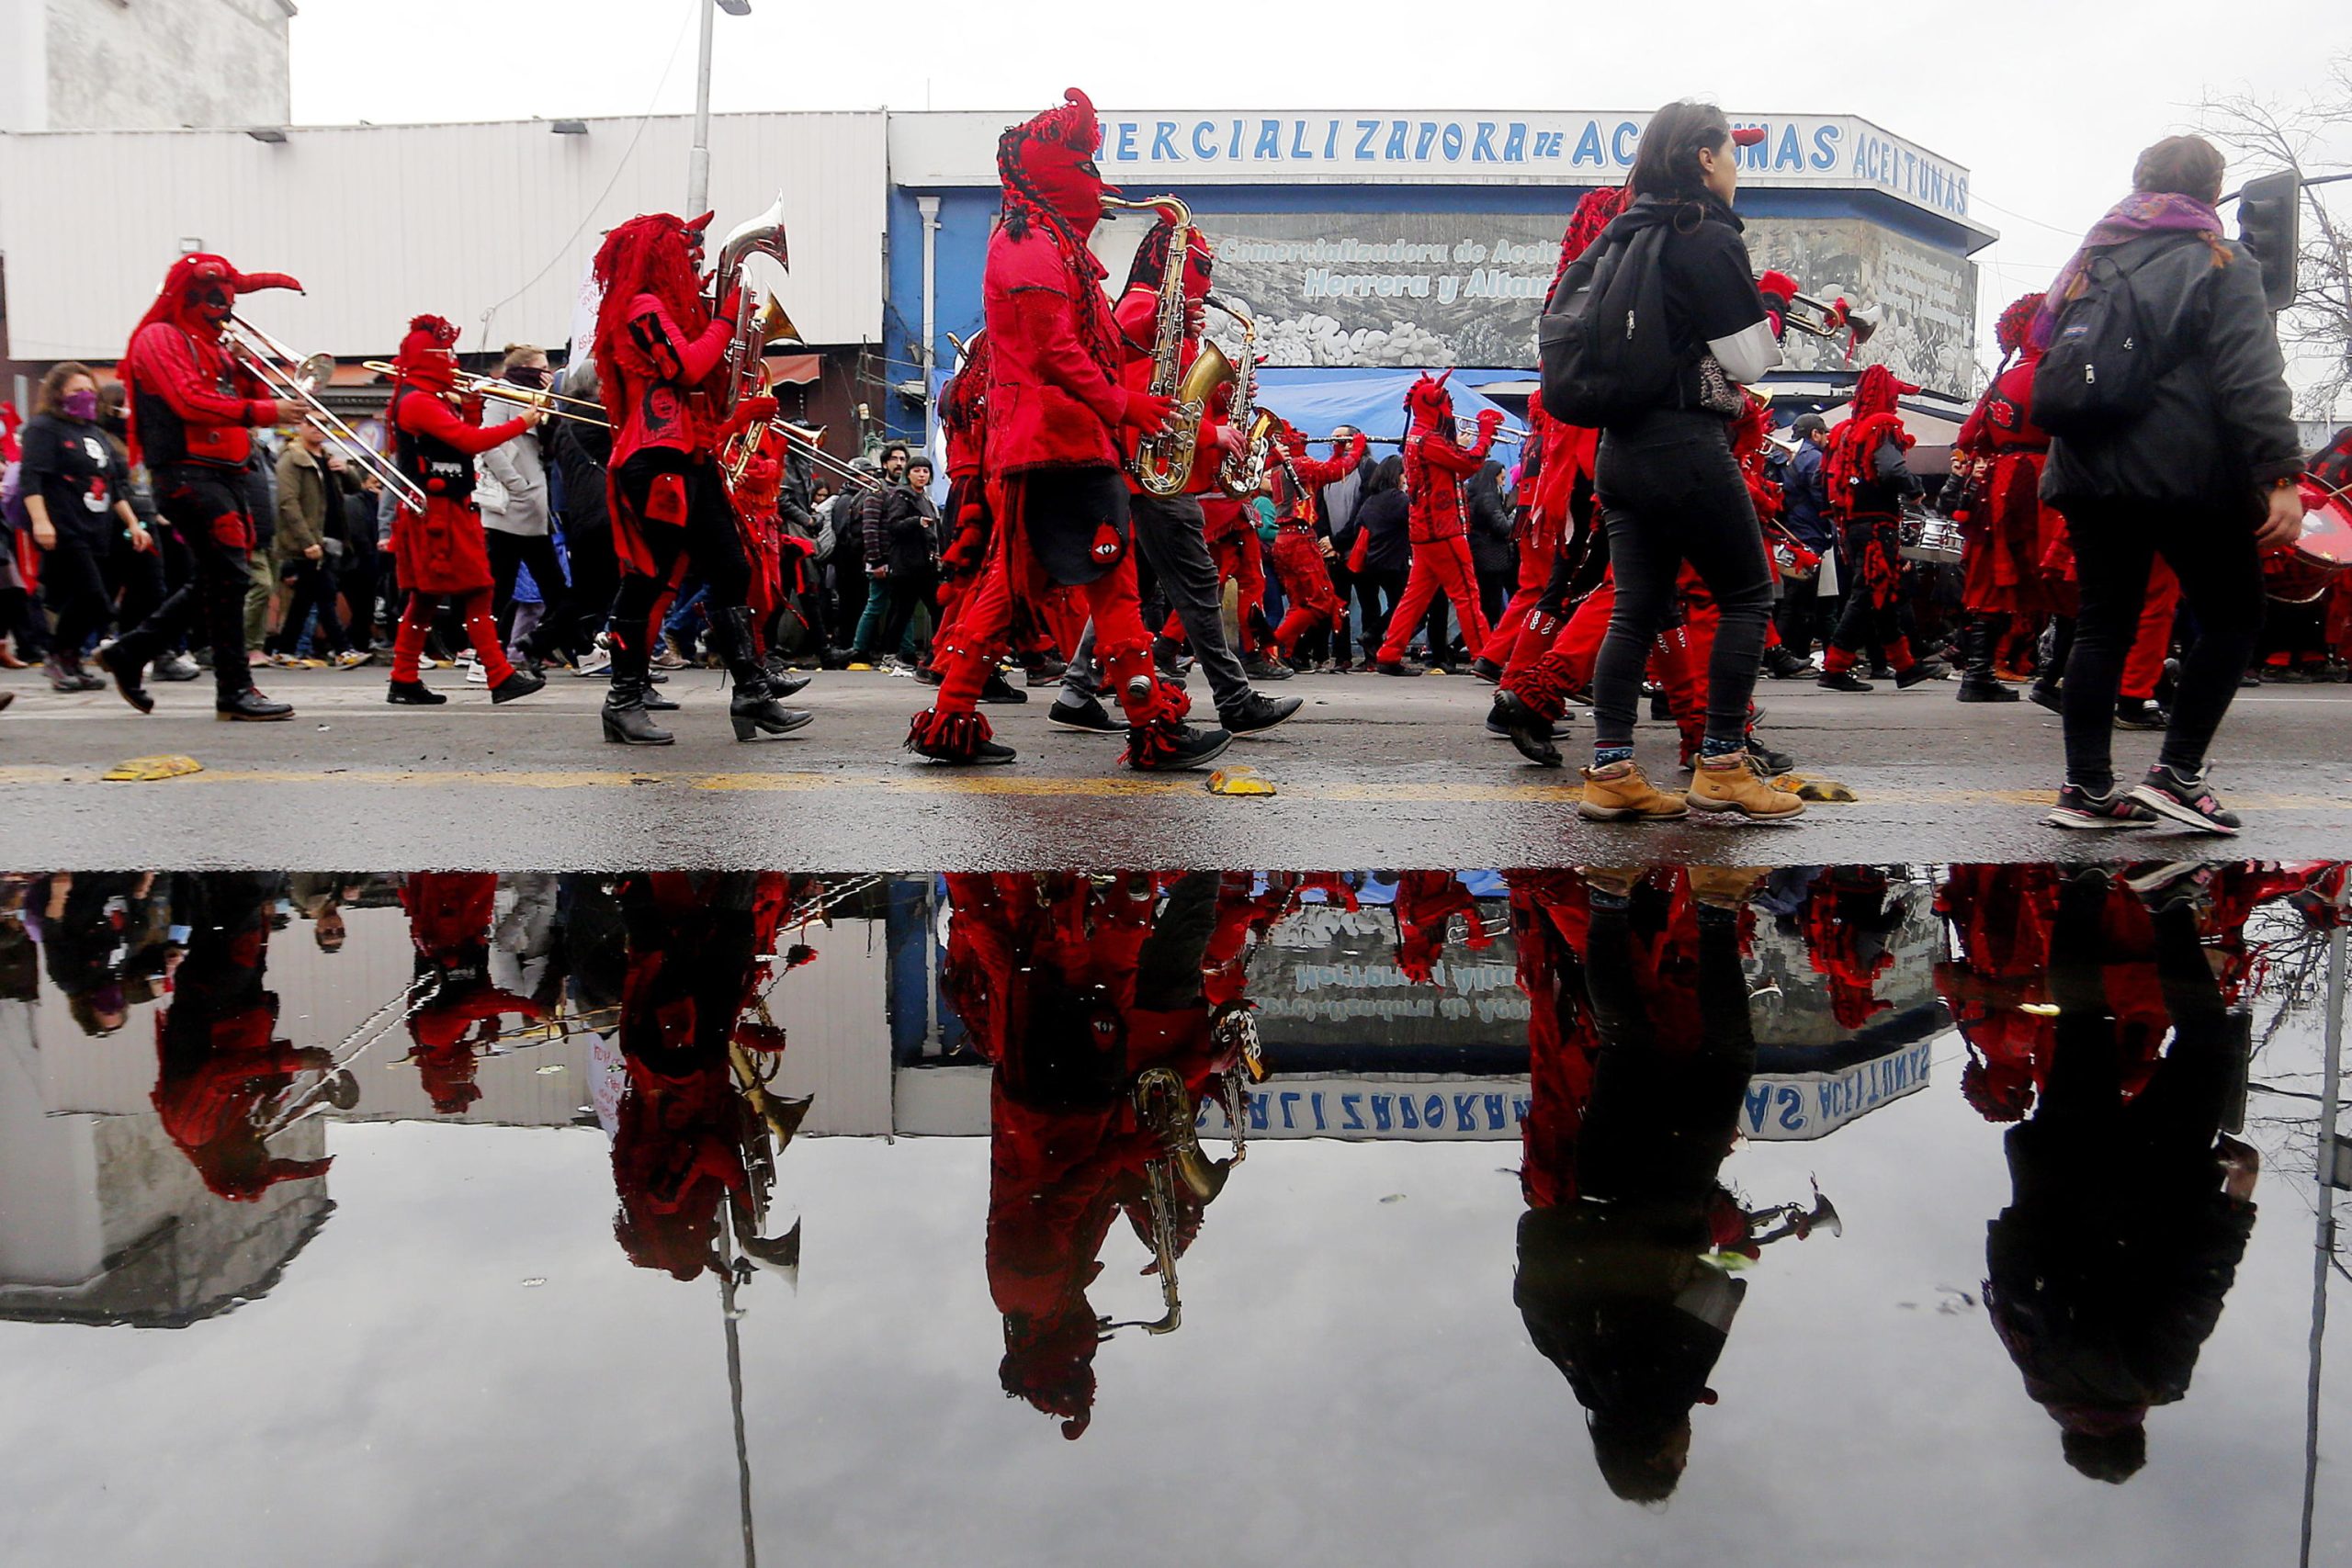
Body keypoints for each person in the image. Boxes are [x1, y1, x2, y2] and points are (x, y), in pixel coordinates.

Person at [905, 88, 1227, 772]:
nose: (1099, 189)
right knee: (1111, 583)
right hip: (1058, 447)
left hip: (1062, 445)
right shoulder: (1026, 247)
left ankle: (952, 716)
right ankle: (1150, 725)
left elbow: (1092, 337)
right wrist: (1123, 405)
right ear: (1056, 179)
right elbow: (1054, 351)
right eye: (1086, 172)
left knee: (1006, 586)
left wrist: (1148, 327)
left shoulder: (1049, 245)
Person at [2038, 134, 2304, 833]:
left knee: (2102, 626)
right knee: (2233, 614)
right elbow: (2249, 373)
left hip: (2089, 467)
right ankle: (2179, 774)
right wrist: (2280, 471)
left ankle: (2086, 789)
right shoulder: (2218, 259)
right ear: (2213, 192)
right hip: (2187, 471)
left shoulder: (2093, 260)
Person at [1566, 104, 1801, 823]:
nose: (1737, 167)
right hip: (1684, 442)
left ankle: (1610, 770)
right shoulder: (1705, 231)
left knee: (1634, 609)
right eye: (1733, 153)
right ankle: (1725, 764)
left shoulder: (1625, 230)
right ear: (1704, 157)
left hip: (1619, 447)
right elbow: (1749, 359)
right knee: (1748, 595)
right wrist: (1767, 312)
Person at [1051, 212, 1300, 738]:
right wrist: (1214, 435)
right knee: (1196, 587)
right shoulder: (1145, 309)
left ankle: (1075, 690)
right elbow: (1149, 400)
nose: (1206, 284)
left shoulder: (1152, 310)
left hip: (1150, 475)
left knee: (1127, 588)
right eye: (1201, 267)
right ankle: (1234, 698)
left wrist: (1227, 399)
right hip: (1156, 475)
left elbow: (1174, 393)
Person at [592, 213, 811, 745]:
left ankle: (752, 693)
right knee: (648, 579)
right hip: (653, 462)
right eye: (685, 251)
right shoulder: (641, 307)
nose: (695, 258)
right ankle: (622, 700)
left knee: (731, 569)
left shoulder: (666, 308)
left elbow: (701, 399)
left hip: (688, 458)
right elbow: (686, 368)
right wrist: (723, 320)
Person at [100, 254, 307, 721]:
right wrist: (268, 413)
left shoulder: (214, 344)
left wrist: (247, 369)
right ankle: (230, 688)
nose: (224, 308)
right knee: (229, 575)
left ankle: (134, 652)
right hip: (186, 470)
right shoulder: (160, 338)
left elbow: (241, 398)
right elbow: (188, 400)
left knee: (220, 576)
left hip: (227, 469)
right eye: (215, 298)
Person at [382, 315, 548, 708]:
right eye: (446, 355)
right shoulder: (418, 401)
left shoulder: (430, 398)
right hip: (436, 512)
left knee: (425, 598)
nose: (453, 363)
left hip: (448, 505)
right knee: (477, 588)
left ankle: (404, 678)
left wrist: (471, 408)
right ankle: (498, 673)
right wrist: (521, 421)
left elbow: (457, 442)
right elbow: (468, 441)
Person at [1815, 365, 1950, 694]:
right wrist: (1915, 488)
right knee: (1866, 594)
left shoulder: (1844, 430)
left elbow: (1826, 479)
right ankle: (1834, 668)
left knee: (1882, 593)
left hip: (1852, 525)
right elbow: (1891, 468)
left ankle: (1904, 665)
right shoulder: (1881, 427)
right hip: (1878, 525)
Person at [18, 362, 144, 692]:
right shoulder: (43, 428)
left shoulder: (93, 432)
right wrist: (41, 520)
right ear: (58, 394)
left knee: (87, 595)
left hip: (98, 525)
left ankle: (70, 656)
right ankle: (57, 655)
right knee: (93, 596)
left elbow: (112, 484)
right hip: (65, 524)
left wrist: (133, 523)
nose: (85, 396)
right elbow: (32, 477)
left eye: (89, 390)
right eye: (76, 391)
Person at [1372, 372, 1499, 676]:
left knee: (1415, 597)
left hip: (1426, 530)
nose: (1450, 412)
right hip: (1443, 529)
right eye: (1447, 405)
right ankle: (1486, 656)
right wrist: (1484, 434)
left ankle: (1389, 653)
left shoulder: (1420, 437)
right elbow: (1468, 463)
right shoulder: (1429, 439)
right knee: (1467, 593)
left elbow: (1456, 472)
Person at [477, 344, 575, 669]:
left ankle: (581, 648)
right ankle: (485, 656)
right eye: (541, 367)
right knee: (504, 586)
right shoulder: (502, 393)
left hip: (531, 506)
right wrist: (518, 486)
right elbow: (489, 443)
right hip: (512, 506)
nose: (547, 373)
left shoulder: (536, 396)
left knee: (551, 586)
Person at [265, 419, 363, 669]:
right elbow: (287, 502)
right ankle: (343, 648)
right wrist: (306, 541)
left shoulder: (328, 458)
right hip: (311, 540)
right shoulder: (292, 459)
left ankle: (284, 650)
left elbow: (355, 488)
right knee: (325, 593)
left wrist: (346, 470)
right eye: (313, 424)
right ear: (300, 427)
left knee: (306, 596)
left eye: (324, 424)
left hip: (331, 538)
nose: (319, 428)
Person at [1771, 412, 1834, 662]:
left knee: (1792, 598)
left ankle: (1791, 653)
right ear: (1815, 434)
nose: (1827, 438)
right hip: (1808, 532)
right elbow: (1823, 494)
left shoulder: (1781, 456)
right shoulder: (1812, 457)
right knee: (1800, 600)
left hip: (1791, 531)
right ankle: (1788, 655)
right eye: (1824, 433)